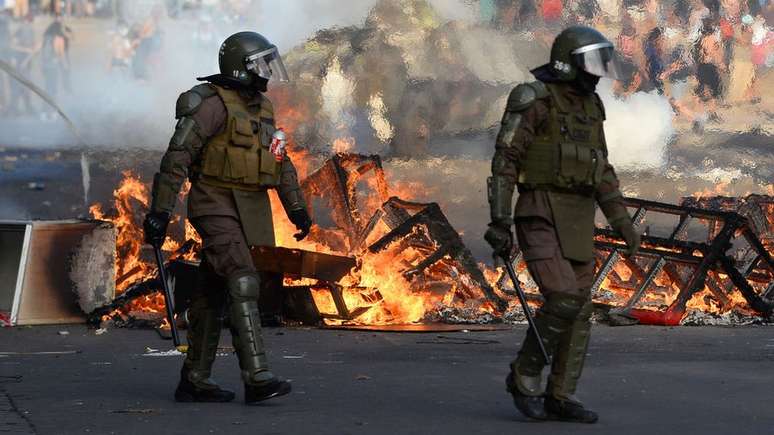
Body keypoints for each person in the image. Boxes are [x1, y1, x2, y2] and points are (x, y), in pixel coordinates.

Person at [143, 31, 312, 405]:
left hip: (248, 205)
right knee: (242, 278)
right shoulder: (209, 103)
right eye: (261, 64)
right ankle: (257, 377)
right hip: (213, 200)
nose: (268, 72)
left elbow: (279, 161)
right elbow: (177, 158)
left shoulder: (263, 109)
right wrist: (160, 212)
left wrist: (296, 207)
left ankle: (195, 380)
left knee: (211, 292)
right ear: (242, 67)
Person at [484, 26, 640, 423]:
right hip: (539, 212)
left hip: (578, 218)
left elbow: (601, 168)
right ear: (567, 62)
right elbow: (505, 162)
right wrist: (499, 220)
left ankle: (561, 396)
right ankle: (525, 373)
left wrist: (621, 219)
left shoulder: (592, 108)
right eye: (589, 63)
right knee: (564, 299)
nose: (595, 73)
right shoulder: (534, 99)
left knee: (581, 309)